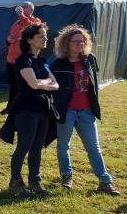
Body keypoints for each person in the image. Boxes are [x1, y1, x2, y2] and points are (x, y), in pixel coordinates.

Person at [51, 25, 120, 195]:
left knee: (93, 147)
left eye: (83, 41)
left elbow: (93, 83)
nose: (80, 44)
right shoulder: (57, 64)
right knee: (63, 146)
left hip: (87, 112)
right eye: (76, 42)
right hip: (67, 112)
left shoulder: (90, 59)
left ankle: (105, 181)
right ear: (66, 43)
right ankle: (66, 177)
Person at [0, 23, 59, 196]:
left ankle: (35, 182)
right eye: (41, 36)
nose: (45, 39)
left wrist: (43, 84)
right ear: (30, 40)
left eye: (45, 36)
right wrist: (45, 83)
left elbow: (56, 84)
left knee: (37, 147)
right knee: (23, 147)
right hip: (26, 110)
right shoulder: (23, 60)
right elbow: (32, 84)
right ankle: (15, 183)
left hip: (43, 109)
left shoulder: (42, 61)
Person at [1, 2, 45, 114]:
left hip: (24, 61)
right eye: (21, 6)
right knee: (13, 86)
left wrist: (21, 15)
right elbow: (9, 39)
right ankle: (10, 108)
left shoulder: (36, 22)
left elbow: (30, 28)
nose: (21, 8)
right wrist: (8, 40)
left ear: (31, 9)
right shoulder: (16, 23)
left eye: (24, 7)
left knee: (23, 86)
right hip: (11, 59)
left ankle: (19, 108)